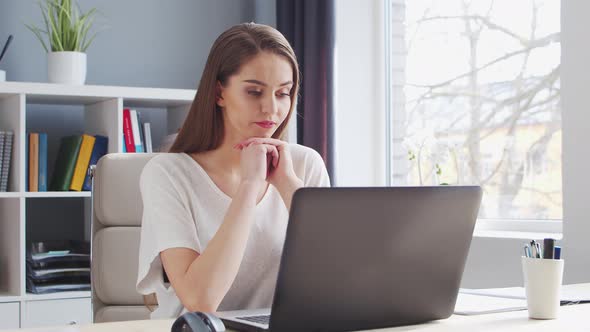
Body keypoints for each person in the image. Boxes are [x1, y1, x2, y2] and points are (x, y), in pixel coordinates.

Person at [136, 22, 330, 319]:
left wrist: (290, 186)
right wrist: (250, 185)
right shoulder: (167, 174)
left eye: (283, 93)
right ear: (219, 93)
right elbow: (201, 301)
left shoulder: (305, 166)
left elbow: (340, 274)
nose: (272, 109)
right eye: (254, 92)